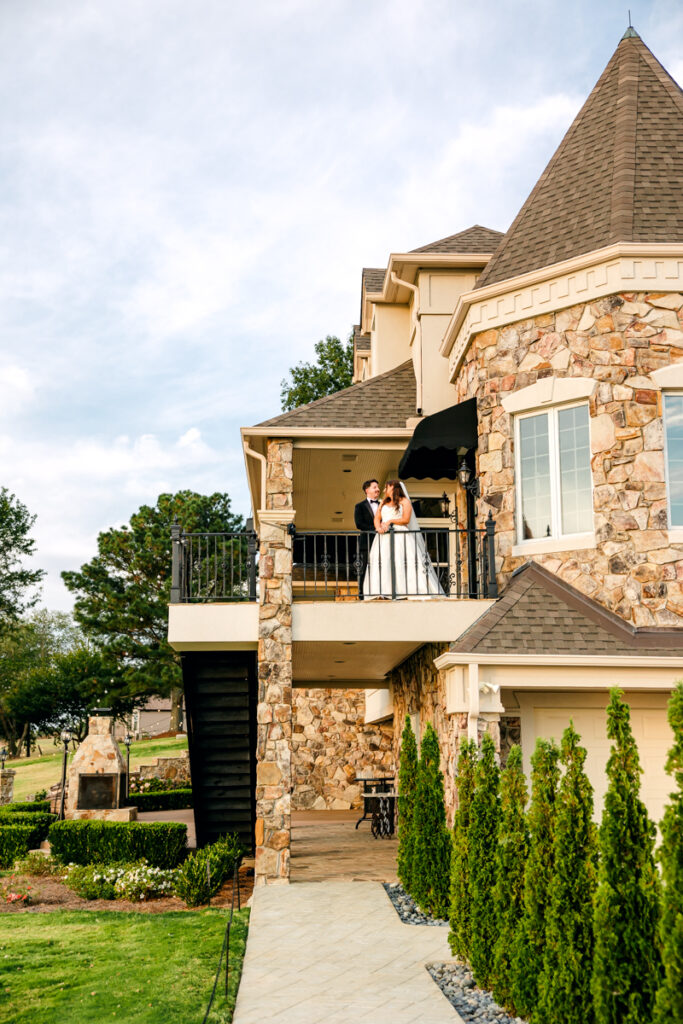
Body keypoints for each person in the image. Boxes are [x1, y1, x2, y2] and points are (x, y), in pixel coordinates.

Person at [363, 480, 443, 599]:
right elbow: (377, 518)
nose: (384, 490)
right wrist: (378, 527)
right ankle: (384, 591)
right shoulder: (383, 503)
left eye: (387, 487)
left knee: (403, 560)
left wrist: (390, 521)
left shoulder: (404, 501)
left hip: (401, 535)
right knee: (384, 561)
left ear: (394, 488)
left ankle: (406, 590)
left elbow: (405, 519)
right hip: (384, 537)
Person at [354, 479, 381, 599]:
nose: (378, 489)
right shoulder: (359, 506)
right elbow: (359, 524)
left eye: (378, 487)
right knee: (365, 567)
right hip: (367, 542)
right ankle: (362, 593)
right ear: (367, 490)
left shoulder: (383, 505)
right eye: (374, 487)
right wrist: (375, 529)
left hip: (382, 541)